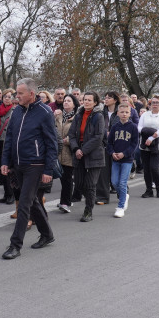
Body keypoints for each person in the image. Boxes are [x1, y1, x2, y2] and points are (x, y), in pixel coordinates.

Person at [0, 78, 56, 260]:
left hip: (35, 164)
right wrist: (5, 161)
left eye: (20, 93)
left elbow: (51, 143)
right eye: (16, 93)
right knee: (32, 202)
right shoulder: (16, 112)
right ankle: (47, 234)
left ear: (31, 94)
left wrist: (48, 170)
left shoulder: (45, 112)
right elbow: (9, 138)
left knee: (24, 203)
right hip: (18, 164)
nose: (17, 97)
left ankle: (15, 244)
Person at [68, 92, 106, 222]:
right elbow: (71, 134)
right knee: (78, 183)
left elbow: (98, 137)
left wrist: (83, 150)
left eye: (90, 100)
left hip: (94, 155)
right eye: (85, 99)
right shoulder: (78, 115)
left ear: (95, 102)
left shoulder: (98, 116)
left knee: (90, 184)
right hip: (79, 154)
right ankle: (91, 197)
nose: (87, 102)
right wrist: (76, 149)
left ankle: (88, 210)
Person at [106, 103, 138, 218]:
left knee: (122, 182)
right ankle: (124, 196)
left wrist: (124, 154)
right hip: (115, 159)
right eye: (122, 112)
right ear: (118, 113)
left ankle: (120, 206)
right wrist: (112, 153)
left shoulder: (133, 127)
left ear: (130, 113)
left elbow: (134, 144)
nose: (124, 114)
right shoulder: (115, 127)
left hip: (127, 159)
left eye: (127, 112)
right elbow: (109, 143)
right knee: (114, 182)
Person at [138, 97, 159, 198]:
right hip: (145, 144)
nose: (154, 104)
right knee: (146, 169)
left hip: (158, 145)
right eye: (152, 103)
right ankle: (149, 190)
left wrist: (151, 137)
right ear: (149, 104)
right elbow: (139, 127)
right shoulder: (145, 114)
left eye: (157, 103)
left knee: (154, 167)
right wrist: (148, 132)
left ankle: (158, 187)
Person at [54, 94, 78, 214]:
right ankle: (66, 200)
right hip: (57, 151)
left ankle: (65, 202)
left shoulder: (77, 117)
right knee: (62, 178)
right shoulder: (58, 115)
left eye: (69, 101)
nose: (66, 102)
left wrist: (67, 140)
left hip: (69, 151)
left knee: (67, 179)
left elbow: (78, 135)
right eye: (64, 101)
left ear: (74, 103)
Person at [0, 89, 17, 204]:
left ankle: (11, 194)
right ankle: (6, 193)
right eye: (5, 97)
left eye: (9, 97)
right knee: (0, 170)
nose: (7, 99)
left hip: (9, 142)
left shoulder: (15, 110)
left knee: (7, 170)